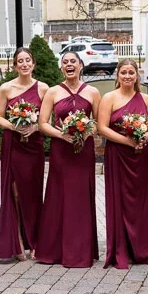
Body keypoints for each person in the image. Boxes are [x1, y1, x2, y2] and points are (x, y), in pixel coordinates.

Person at [35, 51, 101, 268]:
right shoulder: (53, 92)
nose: (69, 65)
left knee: (80, 196)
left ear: (81, 65)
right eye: (65, 62)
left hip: (83, 151)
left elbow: (99, 123)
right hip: (60, 149)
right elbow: (43, 123)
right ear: (61, 68)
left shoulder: (93, 92)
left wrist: (85, 133)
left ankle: (81, 251)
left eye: (73, 61)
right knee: (59, 195)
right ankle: (54, 250)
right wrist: (62, 134)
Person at [97, 59, 148, 269]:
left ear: (136, 76)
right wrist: (127, 140)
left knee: (139, 200)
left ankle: (143, 248)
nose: (127, 76)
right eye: (123, 72)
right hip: (117, 153)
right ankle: (122, 248)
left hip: (139, 155)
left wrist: (144, 137)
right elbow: (102, 128)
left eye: (131, 72)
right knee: (119, 199)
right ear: (117, 75)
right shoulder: (109, 98)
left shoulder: (146, 98)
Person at [0, 48, 48, 260]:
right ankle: (17, 242)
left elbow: (47, 121)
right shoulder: (6, 88)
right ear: (15, 66)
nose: (24, 64)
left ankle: (35, 241)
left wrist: (35, 127)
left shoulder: (43, 88)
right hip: (13, 144)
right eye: (20, 61)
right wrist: (14, 126)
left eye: (27, 60)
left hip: (33, 145)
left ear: (33, 64)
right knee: (14, 193)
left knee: (33, 194)